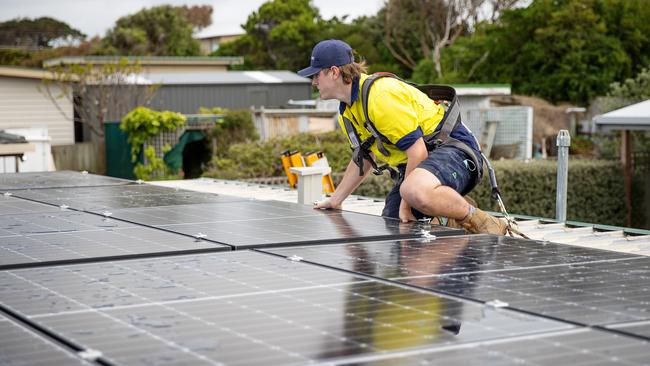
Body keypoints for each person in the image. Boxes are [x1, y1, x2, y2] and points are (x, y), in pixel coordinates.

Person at [297, 39, 508, 235]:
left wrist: (407, 203)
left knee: (413, 192)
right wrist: (336, 200)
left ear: (334, 72)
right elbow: (363, 158)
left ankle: (483, 222)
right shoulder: (348, 111)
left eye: (316, 75)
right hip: (423, 166)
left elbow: (418, 151)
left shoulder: (379, 97)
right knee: (394, 225)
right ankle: (447, 211)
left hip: (454, 151)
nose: (314, 82)